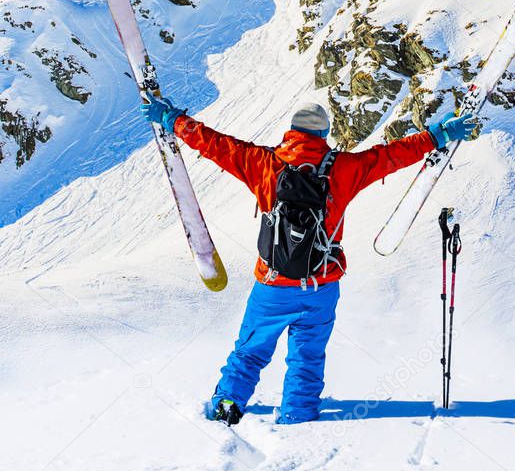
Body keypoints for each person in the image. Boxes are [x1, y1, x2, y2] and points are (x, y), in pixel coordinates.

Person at [141, 96, 477, 425]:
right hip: (321, 284)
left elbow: (216, 144)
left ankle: (228, 402)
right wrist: (438, 136)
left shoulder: (264, 163)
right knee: (307, 357)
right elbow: (389, 156)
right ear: (324, 134)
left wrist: (174, 120)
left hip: (272, 285)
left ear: (291, 131)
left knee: (250, 349)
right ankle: (297, 416)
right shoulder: (344, 168)